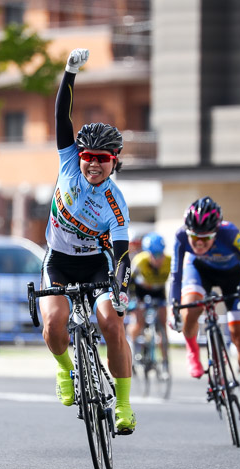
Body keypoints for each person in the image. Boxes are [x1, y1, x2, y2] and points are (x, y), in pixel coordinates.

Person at [39, 48, 136, 434]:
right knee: (54, 324)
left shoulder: (116, 202)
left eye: (103, 158)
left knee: (112, 324)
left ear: (114, 162)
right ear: (78, 156)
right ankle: (65, 371)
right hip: (59, 260)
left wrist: (122, 287)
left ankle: (125, 405)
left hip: (96, 264)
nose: (94, 164)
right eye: (89, 156)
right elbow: (62, 115)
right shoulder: (67, 162)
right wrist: (70, 72)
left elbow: (122, 254)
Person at [168, 196, 240, 428]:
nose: (198, 244)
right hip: (200, 270)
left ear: (216, 232)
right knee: (191, 306)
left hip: (234, 275)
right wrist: (175, 308)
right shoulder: (181, 236)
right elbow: (176, 275)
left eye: (205, 239)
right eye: (194, 238)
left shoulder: (230, 233)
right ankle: (193, 352)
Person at [128, 232, 171, 372]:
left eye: (160, 254)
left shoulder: (169, 261)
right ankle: (133, 352)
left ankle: (165, 362)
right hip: (141, 291)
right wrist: (132, 301)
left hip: (159, 291)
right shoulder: (140, 261)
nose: (157, 258)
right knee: (138, 321)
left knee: (163, 325)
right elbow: (128, 282)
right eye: (153, 254)